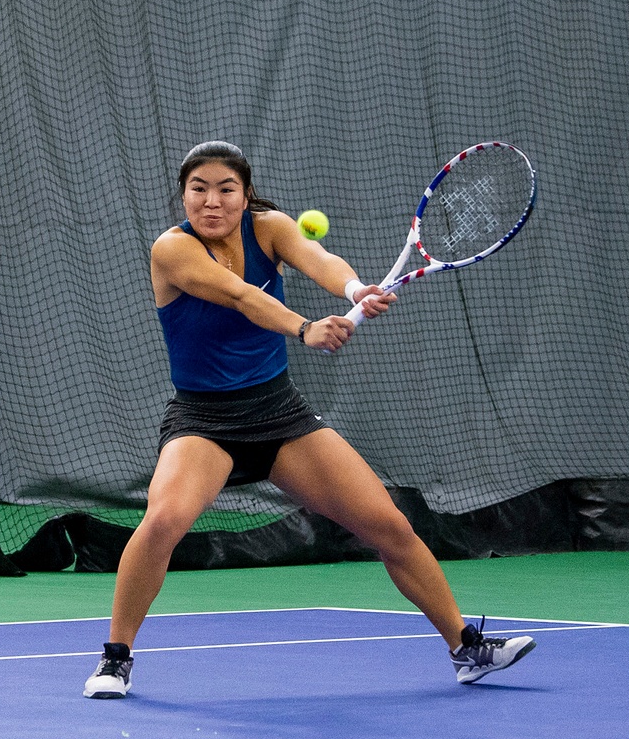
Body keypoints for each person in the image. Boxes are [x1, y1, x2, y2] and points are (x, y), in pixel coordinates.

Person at [82, 141, 533, 699]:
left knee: (389, 525)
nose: (212, 200)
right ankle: (116, 658)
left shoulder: (269, 227)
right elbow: (241, 296)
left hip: (278, 412)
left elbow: (319, 260)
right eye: (199, 189)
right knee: (163, 521)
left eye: (226, 189)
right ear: (183, 195)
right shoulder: (172, 250)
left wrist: (352, 291)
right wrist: (304, 329)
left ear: (245, 194)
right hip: (205, 419)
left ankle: (467, 648)